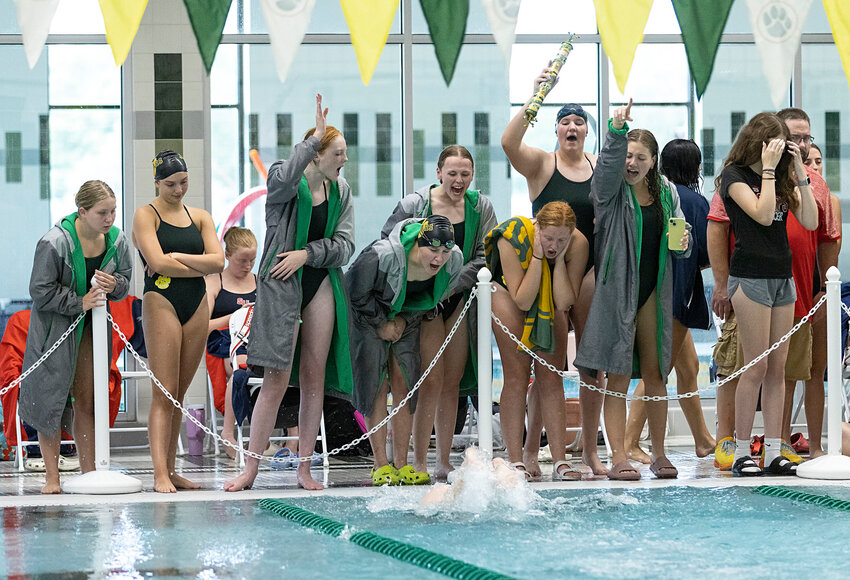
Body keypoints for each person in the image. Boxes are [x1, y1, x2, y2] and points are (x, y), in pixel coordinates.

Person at [224, 94, 354, 492]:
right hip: (281, 286)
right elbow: (279, 181)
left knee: (313, 377)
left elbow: (346, 244)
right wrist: (312, 140)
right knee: (277, 379)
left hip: (319, 282)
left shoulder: (341, 191)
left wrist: (307, 253)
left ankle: (304, 469)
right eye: (337, 153)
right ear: (316, 154)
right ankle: (250, 469)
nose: (343, 160)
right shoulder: (285, 180)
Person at [574, 100, 690, 481]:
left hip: (654, 290)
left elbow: (679, 239)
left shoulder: (667, 194)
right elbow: (607, 168)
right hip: (617, 291)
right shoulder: (609, 193)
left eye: (640, 156)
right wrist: (616, 132)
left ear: (653, 160)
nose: (631, 162)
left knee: (656, 374)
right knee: (619, 376)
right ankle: (620, 455)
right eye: (627, 155)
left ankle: (658, 454)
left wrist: (685, 241)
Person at [501, 66, 605, 476]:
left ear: (587, 132)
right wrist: (536, 95)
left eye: (580, 121)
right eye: (565, 122)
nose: (573, 126)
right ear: (557, 131)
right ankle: (531, 449)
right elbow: (508, 142)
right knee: (549, 363)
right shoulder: (542, 165)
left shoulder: (599, 165)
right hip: (550, 270)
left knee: (592, 364)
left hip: (590, 269)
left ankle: (589, 448)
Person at [381, 145, 497, 482]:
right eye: (452, 173)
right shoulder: (416, 205)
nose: (459, 180)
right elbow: (390, 245)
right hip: (423, 305)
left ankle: (443, 461)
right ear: (438, 173)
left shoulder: (480, 206)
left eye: (465, 174)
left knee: (451, 383)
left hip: (456, 301)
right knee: (429, 381)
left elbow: (485, 254)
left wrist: (448, 283)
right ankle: (419, 461)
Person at [714, 112, 817, 476]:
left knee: (777, 370)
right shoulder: (734, 177)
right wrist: (770, 171)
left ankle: (773, 449)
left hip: (781, 277)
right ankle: (743, 451)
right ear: (760, 143)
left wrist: (800, 173)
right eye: (775, 144)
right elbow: (760, 213)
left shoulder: (785, 175)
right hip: (751, 277)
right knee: (755, 367)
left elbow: (810, 222)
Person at [19, 180, 132, 493]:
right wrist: (77, 302)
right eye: (101, 213)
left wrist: (115, 285)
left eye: (113, 211)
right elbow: (39, 291)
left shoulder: (118, 240)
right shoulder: (54, 242)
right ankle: (52, 478)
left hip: (92, 330)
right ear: (82, 212)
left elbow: (125, 281)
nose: (109, 219)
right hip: (55, 331)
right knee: (50, 402)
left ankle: (90, 471)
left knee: (88, 402)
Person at [347, 216, 463, 486]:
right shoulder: (382, 256)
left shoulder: (453, 261)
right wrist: (381, 324)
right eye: (433, 250)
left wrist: (401, 321)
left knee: (405, 383)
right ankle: (380, 464)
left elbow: (434, 297)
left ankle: (402, 464)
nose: (439, 258)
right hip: (366, 315)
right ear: (417, 245)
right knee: (376, 383)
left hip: (407, 315)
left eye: (444, 251)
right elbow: (353, 292)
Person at [134, 151, 225, 493]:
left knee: (179, 394)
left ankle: (172, 471)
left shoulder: (200, 216)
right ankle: (159, 473)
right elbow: (156, 262)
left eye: (184, 182)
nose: (178, 190)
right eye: (171, 184)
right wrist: (197, 263)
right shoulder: (146, 215)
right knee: (164, 392)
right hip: (162, 301)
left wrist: (179, 258)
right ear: (157, 182)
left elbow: (219, 262)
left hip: (196, 303)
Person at [624, 139, 715, 462]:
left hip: (662, 293)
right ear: (697, 168)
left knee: (688, 367)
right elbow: (705, 254)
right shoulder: (694, 201)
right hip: (677, 297)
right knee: (657, 371)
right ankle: (629, 441)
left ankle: (703, 439)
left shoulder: (656, 195)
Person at [485, 201, 588, 481]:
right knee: (517, 376)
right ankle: (515, 459)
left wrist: (557, 264)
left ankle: (559, 460)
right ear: (537, 226)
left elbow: (565, 301)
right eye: (549, 237)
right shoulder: (513, 237)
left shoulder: (577, 244)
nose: (554, 244)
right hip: (509, 291)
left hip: (550, 294)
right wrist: (540, 257)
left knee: (551, 377)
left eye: (561, 240)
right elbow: (522, 299)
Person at [777, 111, 841, 459]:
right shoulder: (764, 178)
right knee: (783, 373)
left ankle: (815, 446)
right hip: (774, 290)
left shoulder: (817, 186)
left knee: (816, 371)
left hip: (812, 291)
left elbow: (829, 239)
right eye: (795, 138)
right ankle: (780, 443)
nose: (802, 145)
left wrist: (823, 290)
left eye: (807, 138)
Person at [204, 226, 258, 459]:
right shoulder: (214, 281)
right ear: (227, 256)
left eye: (252, 260)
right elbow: (203, 326)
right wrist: (238, 316)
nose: (248, 266)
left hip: (255, 340)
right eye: (242, 260)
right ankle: (228, 432)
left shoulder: (260, 281)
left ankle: (289, 436)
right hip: (223, 341)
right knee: (240, 365)